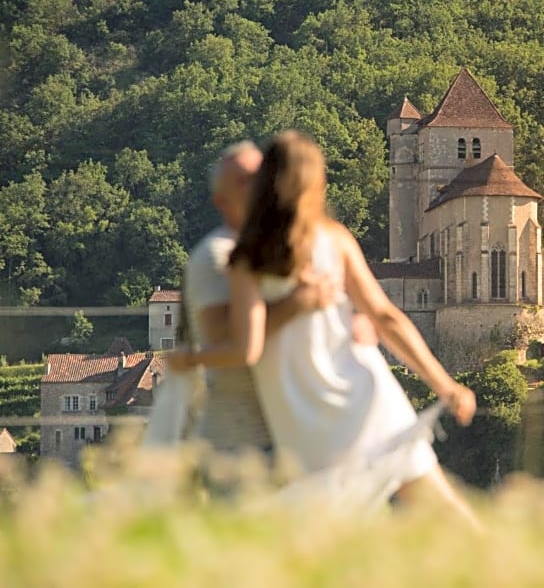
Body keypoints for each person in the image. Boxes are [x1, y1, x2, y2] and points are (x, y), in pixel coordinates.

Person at [169, 131, 478, 523]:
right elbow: (387, 318)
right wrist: (445, 385)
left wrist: (188, 358)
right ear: (318, 184)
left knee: (329, 530)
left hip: (303, 417)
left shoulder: (246, 258)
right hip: (366, 391)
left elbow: (247, 349)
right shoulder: (335, 239)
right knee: (443, 510)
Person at [181, 141, 339, 454]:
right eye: (244, 181)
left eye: (262, 176)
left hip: (290, 429)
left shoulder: (284, 247)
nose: (258, 186)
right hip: (241, 438)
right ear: (220, 201)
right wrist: (299, 302)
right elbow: (233, 345)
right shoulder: (217, 256)